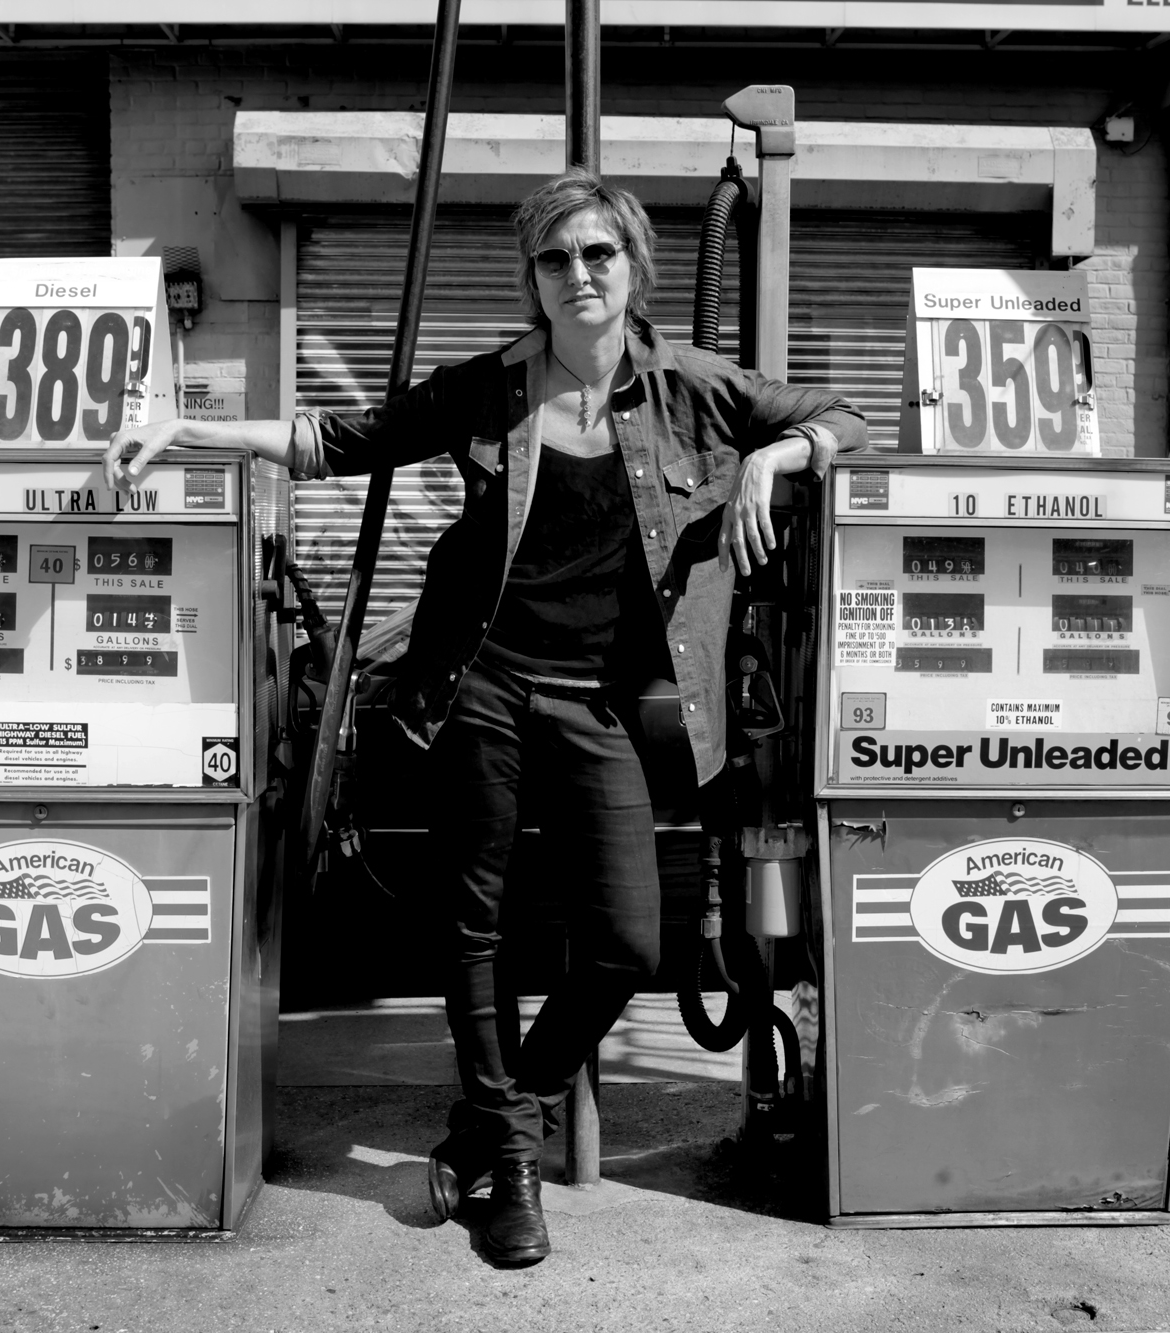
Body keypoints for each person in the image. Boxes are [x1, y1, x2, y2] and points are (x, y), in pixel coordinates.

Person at [103, 168, 864, 1266]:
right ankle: (507, 1164)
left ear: (633, 265)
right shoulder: (494, 387)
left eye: (597, 253)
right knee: (473, 925)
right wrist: (186, 433)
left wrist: (774, 458)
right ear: (533, 280)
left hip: (596, 702)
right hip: (478, 686)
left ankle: (490, 1122)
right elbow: (343, 440)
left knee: (621, 942)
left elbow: (845, 418)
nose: (578, 275)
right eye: (555, 259)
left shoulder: (693, 389)